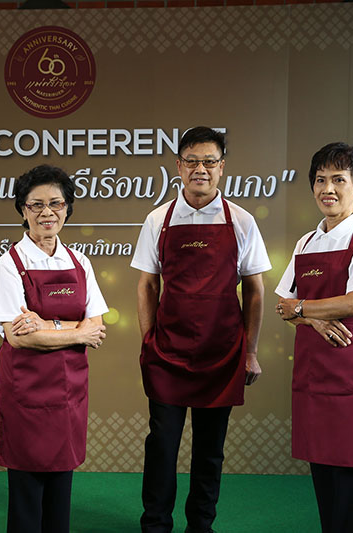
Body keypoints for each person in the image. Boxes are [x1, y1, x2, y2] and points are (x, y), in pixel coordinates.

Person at [131, 127, 271, 533]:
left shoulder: (241, 221)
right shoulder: (158, 219)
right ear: (179, 166)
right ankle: (155, 525)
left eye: (209, 161)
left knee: (210, 452)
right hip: (167, 354)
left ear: (222, 167)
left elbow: (255, 290)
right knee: (161, 446)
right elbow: (147, 285)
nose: (200, 169)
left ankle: (201, 526)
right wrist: (148, 342)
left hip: (222, 354)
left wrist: (250, 352)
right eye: (192, 161)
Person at [275, 143, 353, 533]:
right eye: (320, 180)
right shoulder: (306, 243)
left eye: (339, 180)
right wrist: (313, 320)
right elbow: (282, 305)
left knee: (352, 486)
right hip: (313, 378)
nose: (328, 189)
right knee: (324, 483)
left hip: (351, 378)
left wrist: (302, 310)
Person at [0, 164, 108, 533]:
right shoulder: (9, 264)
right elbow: (19, 337)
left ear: (67, 208)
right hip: (26, 390)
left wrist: (47, 324)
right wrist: (76, 331)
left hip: (69, 390)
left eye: (56, 203)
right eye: (36, 204)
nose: (46, 213)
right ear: (22, 210)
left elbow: (96, 327)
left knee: (60, 485)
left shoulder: (79, 262)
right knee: (27, 489)